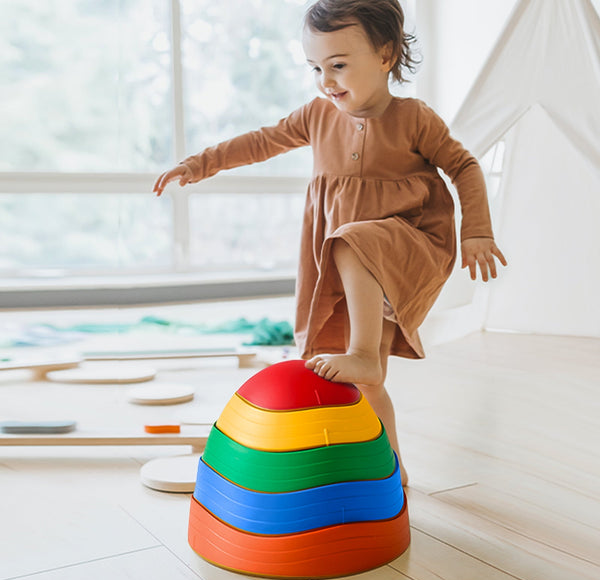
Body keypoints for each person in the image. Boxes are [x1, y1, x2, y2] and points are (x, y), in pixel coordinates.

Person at [153, 0, 507, 485]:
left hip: (410, 245)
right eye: (316, 67)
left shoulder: (414, 119)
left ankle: (362, 351)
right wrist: (199, 164)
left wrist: (478, 231)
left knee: (350, 244)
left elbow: (464, 166)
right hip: (345, 270)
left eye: (338, 65)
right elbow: (261, 141)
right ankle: (391, 469)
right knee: (367, 378)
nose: (326, 79)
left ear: (385, 57)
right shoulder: (318, 116)